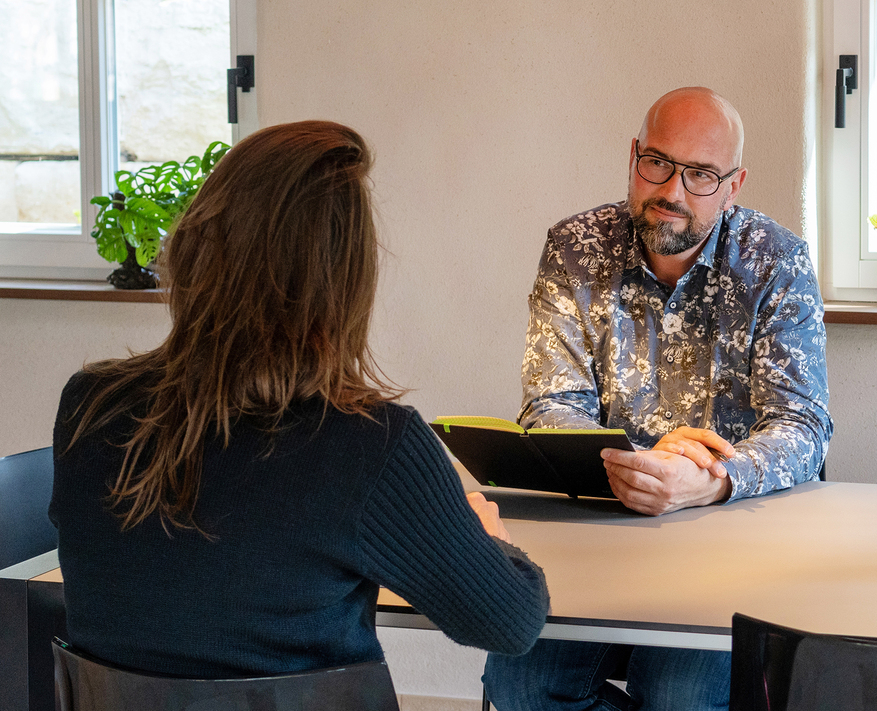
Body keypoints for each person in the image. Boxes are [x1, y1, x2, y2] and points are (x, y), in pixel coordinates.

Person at [49, 120, 550, 678]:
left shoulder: (91, 407)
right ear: (344, 286)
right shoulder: (373, 446)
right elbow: (510, 623)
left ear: (195, 247)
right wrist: (494, 544)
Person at [484, 87, 832, 710]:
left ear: (734, 185)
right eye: (658, 164)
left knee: (675, 696)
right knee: (521, 687)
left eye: (701, 174)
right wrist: (630, 470)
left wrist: (712, 476)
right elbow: (551, 405)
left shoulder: (777, 262)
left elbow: (802, 425)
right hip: (601, 534)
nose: (672, 190)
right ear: (633, 158)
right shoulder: (575, 249)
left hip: (732, 540)